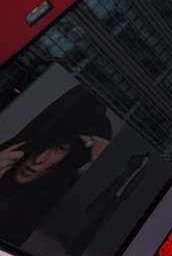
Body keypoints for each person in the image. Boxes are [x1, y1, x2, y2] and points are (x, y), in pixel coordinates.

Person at [0, 86, 113, 246]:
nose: (39, 159)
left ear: (69, 159)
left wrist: (107, 156)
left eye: (59, 149)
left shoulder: (55, 205)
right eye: (44, 143)